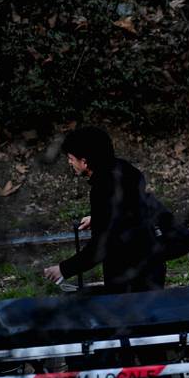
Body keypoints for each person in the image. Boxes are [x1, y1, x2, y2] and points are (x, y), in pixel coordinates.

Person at [43, 126, 166, 294]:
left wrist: (63, 270)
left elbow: (100, 247)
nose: (70, 162)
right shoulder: (125, 169)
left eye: (71, 158)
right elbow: (131, 210)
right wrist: (98, 218)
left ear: (85, 161)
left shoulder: (102, 188)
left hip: (129, 274)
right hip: (153, 264)